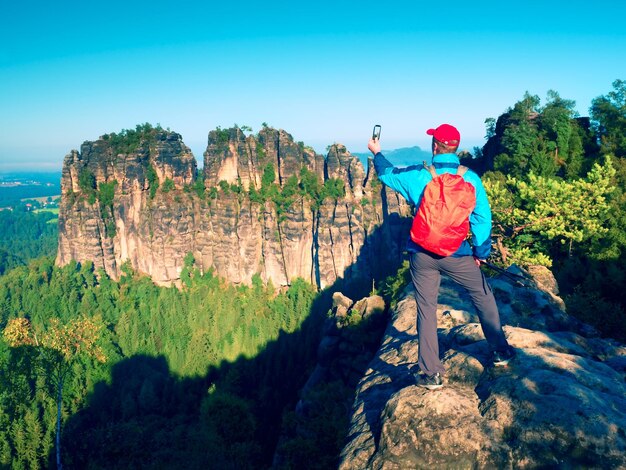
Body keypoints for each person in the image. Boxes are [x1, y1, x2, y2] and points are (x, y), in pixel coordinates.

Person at [368, 123, 515, 390]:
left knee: (426, 309)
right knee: (482, 295)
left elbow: (387, 174)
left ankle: (431, 374)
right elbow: (482, 219)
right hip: (457, 254)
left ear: (435, 146)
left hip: (422, 254)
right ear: (455, 147)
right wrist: (481, 253)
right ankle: (500, 351)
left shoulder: (420, 175)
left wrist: (377, 152)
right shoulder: (471, 179)